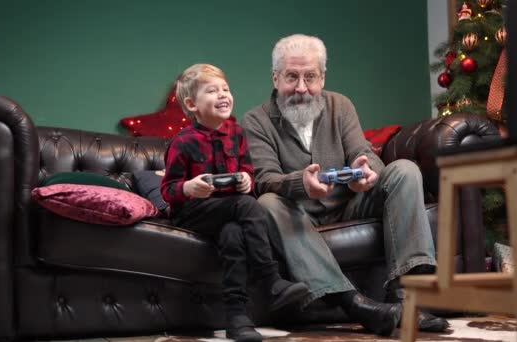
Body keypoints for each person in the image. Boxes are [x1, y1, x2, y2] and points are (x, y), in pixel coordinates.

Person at [241, 34, 450, 336]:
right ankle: (356, 304)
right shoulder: (255, 121)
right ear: (275, 78)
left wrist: (367, 170)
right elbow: (264, 179)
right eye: (291, 77)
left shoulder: (341, 106)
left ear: (322, 77)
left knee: (404, 170)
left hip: (350, 203)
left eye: (310, 77)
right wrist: (301, 183)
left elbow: (362, 153)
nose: (301, 88)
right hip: (297, 214)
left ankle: (408, 301)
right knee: (266, 203)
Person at [161, 64, 310, 342]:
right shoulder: (181, 142)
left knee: (233, 234)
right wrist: (190, 187)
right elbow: (169, 190)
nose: (223, 95)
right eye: (212, 90)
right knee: (247, 205)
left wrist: (246, 180)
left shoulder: (237, 133)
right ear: (192, 104)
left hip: (228, 214)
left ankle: (237, 319)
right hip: (194, 213)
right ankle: (271, 280)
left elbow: (248, 171)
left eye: (225, 89)